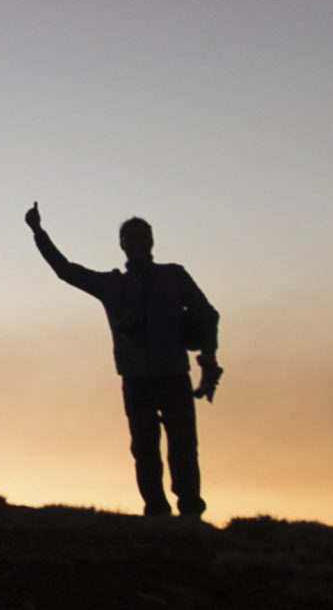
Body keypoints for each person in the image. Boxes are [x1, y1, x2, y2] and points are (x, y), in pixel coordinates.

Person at [25, 204, 222, 521]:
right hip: (136, 380)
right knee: (145, 450)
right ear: (122, 245)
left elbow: (207, 315)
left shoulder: (174, 276)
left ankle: (189, 513)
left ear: (151, 241)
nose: (136, 243)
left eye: (141, 238)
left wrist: (208, 356)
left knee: (183, 447)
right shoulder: (113, 285)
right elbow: (66, 270)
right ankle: (156, 511)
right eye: (130, 239)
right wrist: (38, 232)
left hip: (173, 376)